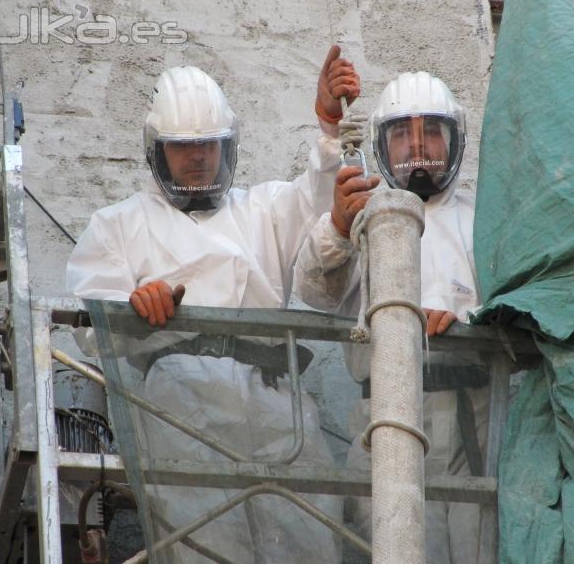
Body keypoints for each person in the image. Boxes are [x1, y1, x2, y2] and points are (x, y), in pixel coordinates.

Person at [66, 47, 360, 563]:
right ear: (158, 152)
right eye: (183, 147)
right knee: (203, 542)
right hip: (181, 395)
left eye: (209, 145)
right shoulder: (120, 223)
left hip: (274, 393)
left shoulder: (263, 207)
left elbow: (321, 203)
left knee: (307, 532)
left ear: (229, 149)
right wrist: (133, 307)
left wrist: (329, 125)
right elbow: (90, 322)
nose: (198, 156)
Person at [293, 71, 487, 563]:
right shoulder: (366, 212)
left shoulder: (485, 217)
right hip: (382, 416)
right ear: (382, 142)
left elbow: (521, 302)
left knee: (480, 548)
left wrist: (468, 326)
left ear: (455, 141)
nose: (418, 146)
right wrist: (339, 225)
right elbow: (316, 289)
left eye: (431, 133)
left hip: (476, 418)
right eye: (403, 134)